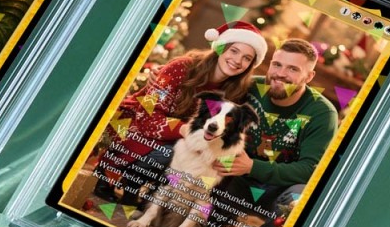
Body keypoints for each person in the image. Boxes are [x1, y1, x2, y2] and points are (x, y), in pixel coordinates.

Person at [93, 21, 268, 202]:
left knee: (193, 153)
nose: (238, 60)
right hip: (133, 125)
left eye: (247, 58)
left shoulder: (234, 92)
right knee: (176, 151)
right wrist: (186, 130)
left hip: (175, 138)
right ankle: (113, 173)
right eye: (234, 51)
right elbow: (146, 117)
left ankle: (141, 188)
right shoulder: (181, 68)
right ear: (221, 47)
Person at [211, 38, 338, 227]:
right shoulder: (249, 86)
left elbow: (310, 169)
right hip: (233, 179)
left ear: (309, 76)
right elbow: (211, 110)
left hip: (279, 190)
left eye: (293, 69)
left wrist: (253, 167)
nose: (281, 73)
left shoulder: (322, 112)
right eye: (277, 64)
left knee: (300, 198)